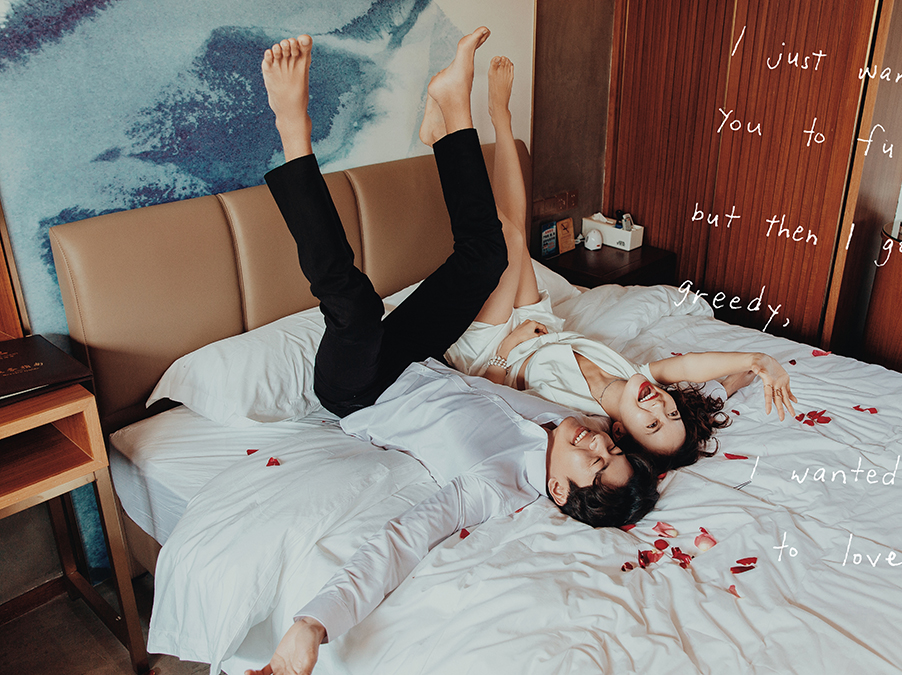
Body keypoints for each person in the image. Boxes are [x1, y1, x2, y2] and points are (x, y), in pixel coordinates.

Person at [247, 31, 659, 675]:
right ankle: (451, 113)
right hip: (418, 359)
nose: (597, 446)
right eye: (610, 450)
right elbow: (625, 415)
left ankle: (292, 129)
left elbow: (404, 538)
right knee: (488, 254)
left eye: (594, 464)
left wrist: (311, 624)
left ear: (557, 491)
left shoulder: (495, 487)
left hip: (359, 389)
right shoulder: (563, 422)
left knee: (354, 304)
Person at [442, 57, 799, 473]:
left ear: (620, 431)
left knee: (510, 239)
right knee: (517, 232)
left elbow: (488, 400)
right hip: (541, 325)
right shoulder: (632, 374)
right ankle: (500, 119)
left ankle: (452, 126)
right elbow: (689, 367)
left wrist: (506, 350)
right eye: (671, 412)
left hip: (493, 353)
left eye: (652, 424)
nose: (659, 406)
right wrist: (756, 360)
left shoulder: (577, 420)